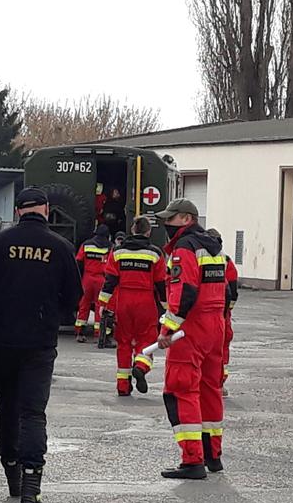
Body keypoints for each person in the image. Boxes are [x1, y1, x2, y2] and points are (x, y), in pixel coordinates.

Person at [0, 186, 82, 503]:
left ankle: (11, 472)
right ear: (47, 211)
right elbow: (74, 299)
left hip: (3, 340)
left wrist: (1, 321)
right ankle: (31, 491)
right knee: (33, 414)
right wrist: (52, 320)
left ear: (18, 211)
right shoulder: (61, 247)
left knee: (6, 407)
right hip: (39, 343)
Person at [155, 199, 227, 480]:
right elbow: (227, 289)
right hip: (215, 325)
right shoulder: (215, 247)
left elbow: (183, 292)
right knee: (210, 388)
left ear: (186, 219)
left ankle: (192, 460)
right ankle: (213, 455)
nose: (166, 225)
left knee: (181, 389)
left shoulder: (184, 249)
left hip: (191, 328)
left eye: (170, 220)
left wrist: (167, 330)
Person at [99, 216, 167, 396]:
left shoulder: (118, 252)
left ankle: (123, 386)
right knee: (147, 339)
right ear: (148, 231)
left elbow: (109, 281)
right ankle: (141, 366)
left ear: (132, 230)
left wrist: (103, 304)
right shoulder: (155, 253)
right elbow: (161, 283)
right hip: (145, 302)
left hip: (124, 301)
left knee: (123, 342)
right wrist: (166, 306)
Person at [206, 228, 239, 397]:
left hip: (203, 312)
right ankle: (219, 383)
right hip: (221, 313)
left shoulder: (197, 257)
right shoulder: (226, 260)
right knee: (221, 349)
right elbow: (233, 291)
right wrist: (227, 311)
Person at [75, 224, 111, 343]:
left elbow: (78, 262)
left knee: (83, 304)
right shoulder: (109, 247)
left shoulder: (86, 245)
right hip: (101, 279)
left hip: (87, 278)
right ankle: (98, 334)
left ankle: (80, 332)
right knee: (99, 306)